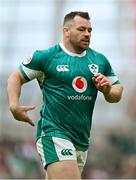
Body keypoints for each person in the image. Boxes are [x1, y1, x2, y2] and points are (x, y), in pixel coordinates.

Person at [7, 11, 123, 179]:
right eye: (81, 29)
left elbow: (117, 91)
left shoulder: (99, 60)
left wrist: (107, 90)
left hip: (81, 139)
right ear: (66, 31)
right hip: (54, 133)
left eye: (90, 30)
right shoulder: (47, 56)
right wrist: (13, 105)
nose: (87, 34)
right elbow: (15, 77)